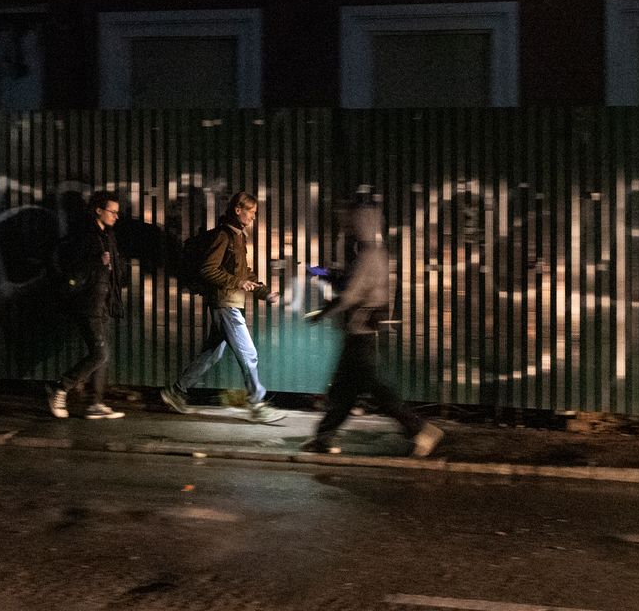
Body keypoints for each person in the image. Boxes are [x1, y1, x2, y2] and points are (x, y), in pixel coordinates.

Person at [300, 200, 442, 457]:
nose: (350, 225)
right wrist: (323, 272)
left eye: (355, 220)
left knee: (377, 391)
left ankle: (420, 430)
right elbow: (349, 280)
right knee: (344, 390)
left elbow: (352, 294)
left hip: (362, 334)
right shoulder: (370, 253)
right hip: (358, 333)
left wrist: (321, 313)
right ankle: (323, 437)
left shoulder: (370, 256)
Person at [161, 190, 284, 424]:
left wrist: (263, 292)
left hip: (229, 301)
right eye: (252, 212)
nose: (254, 217)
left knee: (212, 354)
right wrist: (238, 283)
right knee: (250, 355)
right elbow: (208, 269)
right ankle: (257, 404)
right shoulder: (223, 236)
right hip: (225, 303)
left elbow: (243, 272)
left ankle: (175, 392)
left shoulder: (238, 236)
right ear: (238, 210)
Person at [48, 190, 126, 419]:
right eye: (112, 211)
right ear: (98, 210)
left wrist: (117, 268)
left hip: (103, 302)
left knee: (102, 353)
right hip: (87, 303)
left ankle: (95, 403)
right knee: (100, 353)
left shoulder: (107, 236)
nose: (116, 216)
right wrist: (98, 263)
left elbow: (113, 266)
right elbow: (75, 269)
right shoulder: (84, 236)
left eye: (117, 213)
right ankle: (59, 387)